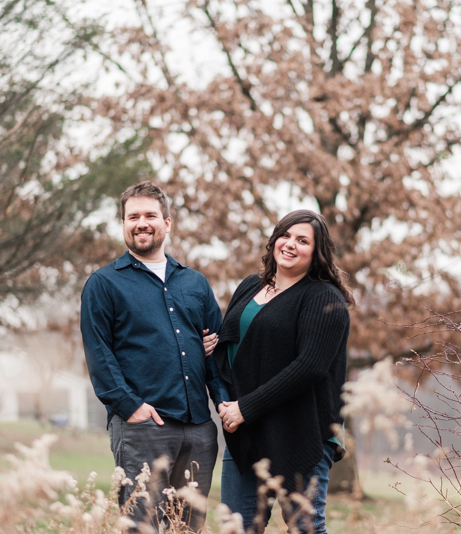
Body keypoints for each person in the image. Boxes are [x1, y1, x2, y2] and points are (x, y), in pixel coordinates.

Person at [80, 181, 229, 531]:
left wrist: (221, 402)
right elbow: (99, 354)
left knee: (187, 527)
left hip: (198, 429)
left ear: (167, 222)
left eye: (150, 215)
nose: (141, 223)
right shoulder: (104, 284)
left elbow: (215, 354)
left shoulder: (195, 283)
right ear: (123, 224)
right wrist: (131, 408)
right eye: (133, 217)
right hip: (144, 426)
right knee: (141, 526)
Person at [214, 210, 354, 534]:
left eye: (302, 240)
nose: (290, 245)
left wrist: (245, 408)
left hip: (301, 430)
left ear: (316, 252)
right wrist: (215, 344)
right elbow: (232, 343)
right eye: (286, 235)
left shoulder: (325, 299)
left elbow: (309, 367)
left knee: (304, 527)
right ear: (274, 240)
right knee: (237, 527)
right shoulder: (251, 286)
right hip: (245, 431)